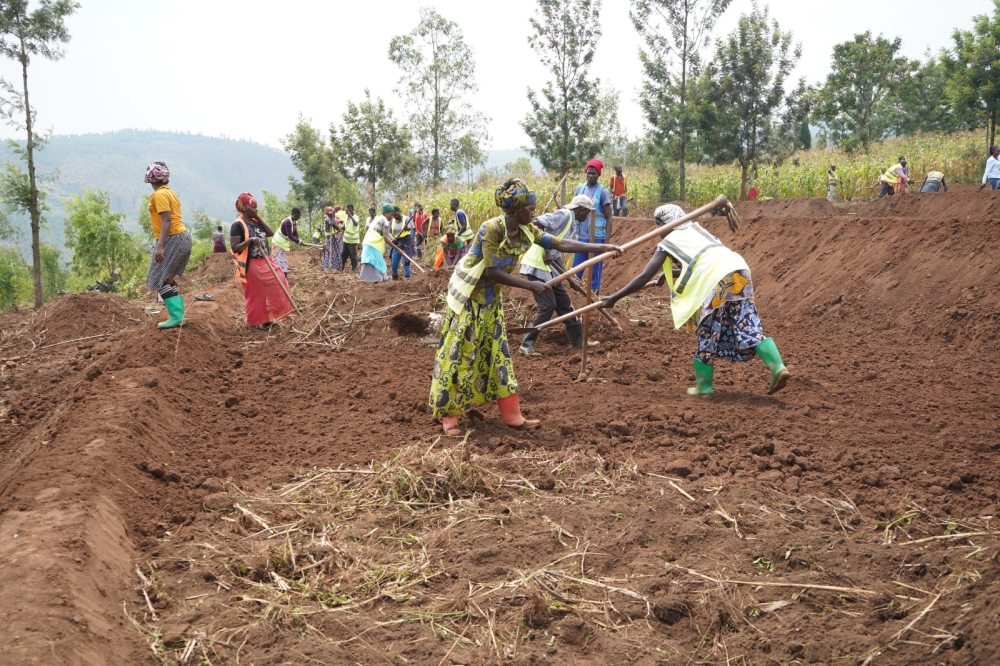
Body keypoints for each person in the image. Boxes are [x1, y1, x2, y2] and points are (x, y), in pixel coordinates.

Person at [429, 178, 620, 435]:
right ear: (516, 210)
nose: (534, 213)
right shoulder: (491, 229)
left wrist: (601, 247)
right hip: (469, 299)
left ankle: (512, 416)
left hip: (490, 300)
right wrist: (530, 286)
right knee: (460, 354)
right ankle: (450, 418)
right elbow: (492, 271)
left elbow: (560, 244)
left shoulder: (528, 230)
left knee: (498, 355)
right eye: (530, 209)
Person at [601, 204, 789, 397]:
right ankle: (778, 367)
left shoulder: (667, 242)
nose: (657, 231)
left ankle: (704, 387)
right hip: (738, 269)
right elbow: (702, 260)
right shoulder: (697, 229)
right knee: (745, 322)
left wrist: (614, 298)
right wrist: (670, 274)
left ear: (664, 224)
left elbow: (644, 276)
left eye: (658, 225)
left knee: (707, 329)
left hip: (714, 278)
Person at [518, 194, 603, 356]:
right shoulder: (564, 214)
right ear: (581, 210)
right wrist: (546, 250)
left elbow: (557, 254)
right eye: (587, 213)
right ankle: (526, 344)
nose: (587, 217)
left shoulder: (571, 223)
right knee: (548, 305)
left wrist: (569, 277)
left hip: (550, 268)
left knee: (564, 304)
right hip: (537, 265)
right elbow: (538, 223)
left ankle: (578, 341)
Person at [230, 192, 294, 329]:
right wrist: (250, 241)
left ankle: (268, 319)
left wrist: (257, 216)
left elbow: (270, 233)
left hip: (265, 260)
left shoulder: (256, 221)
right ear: (245, 207)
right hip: (251, 263)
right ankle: (254, 323)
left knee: (279, 280)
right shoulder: (238, 225)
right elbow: (234, 247)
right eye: (254, 207)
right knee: (255, 294)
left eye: (257, 207)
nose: (256, 209)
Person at [144, 162, 191, 329]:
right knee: (168, 279)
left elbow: (167, 221)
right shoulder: (170, 193)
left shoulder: (160, 195)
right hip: (181, 237)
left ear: (151, 180)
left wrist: (160, 245)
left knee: (158, 279)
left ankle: (176, 317)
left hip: (172, 238)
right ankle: (177, 316)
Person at [571, 159, 614, 293]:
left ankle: (594, 296)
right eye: (588, 173)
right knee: (575, 271)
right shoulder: (580, 189)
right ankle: (575, 298)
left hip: (597, 238)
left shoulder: (603, 192)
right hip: (581, 236)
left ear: (598, 174)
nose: (590, 176)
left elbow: (609, 216)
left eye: (594, 173)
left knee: (595, 271)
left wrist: (607, 241)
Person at [360, 204, 404, 283]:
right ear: (386, 213)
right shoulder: (385, 221)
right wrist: (398, 249)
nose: (392, 217)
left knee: (374, 263)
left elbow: (387, 233)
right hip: (374, 245)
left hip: (368, 243)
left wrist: (392, 238)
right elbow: (386, 238)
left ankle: (377, 281)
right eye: (391, 214)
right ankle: (384, 280)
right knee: (380, 264)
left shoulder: (378, 218)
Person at [271, 207, 306, 275]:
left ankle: (282, 278)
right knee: (277, 262)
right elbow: (290, 236)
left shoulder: (294, 222)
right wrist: (299, 242)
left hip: (282, 244)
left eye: (298, 217)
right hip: (277, 243)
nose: (297, 218)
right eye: (297, 216)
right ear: (292, 214)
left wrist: (300, 240)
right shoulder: (287, 222)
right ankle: (277, 278)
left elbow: (295, 233)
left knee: (282, 262)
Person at [389, 206, 415, 279]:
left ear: (399, 212)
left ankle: (407, 279)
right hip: (397, 242)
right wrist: (392, 238)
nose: (395, 217)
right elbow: (389, 232)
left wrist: (406, 228)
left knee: (406, 262)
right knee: (394, 263)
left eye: (396, 214)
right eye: (393, 215)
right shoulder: (392, 221)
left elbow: (409, 227)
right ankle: (395, 279)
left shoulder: (406, 218)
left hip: (406, 242)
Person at [340, 203, 361, 272]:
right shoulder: (346, 217)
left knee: (353, 255)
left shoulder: (355, 217)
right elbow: (344, 226)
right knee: (344, 254)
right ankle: (341, 267)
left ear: (353, 209)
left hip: (352, 240)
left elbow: (356, 223)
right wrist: (338, 228)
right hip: (346, 239)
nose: (349, 211)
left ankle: (354, 268)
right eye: (348, 210)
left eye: (350, 210)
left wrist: (351, 216)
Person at [326, 206, 345, 272]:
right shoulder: (328, 219)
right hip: (329, 237)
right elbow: (333, 224)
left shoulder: (332, 218)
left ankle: (335, 266)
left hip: (333, 236)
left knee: (335, 251)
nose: (333, 213)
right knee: (331, 252)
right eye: (332, 212)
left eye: (333, 212)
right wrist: (340, 229)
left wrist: (341, 223)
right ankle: (330, 266)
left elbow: (337, 221)